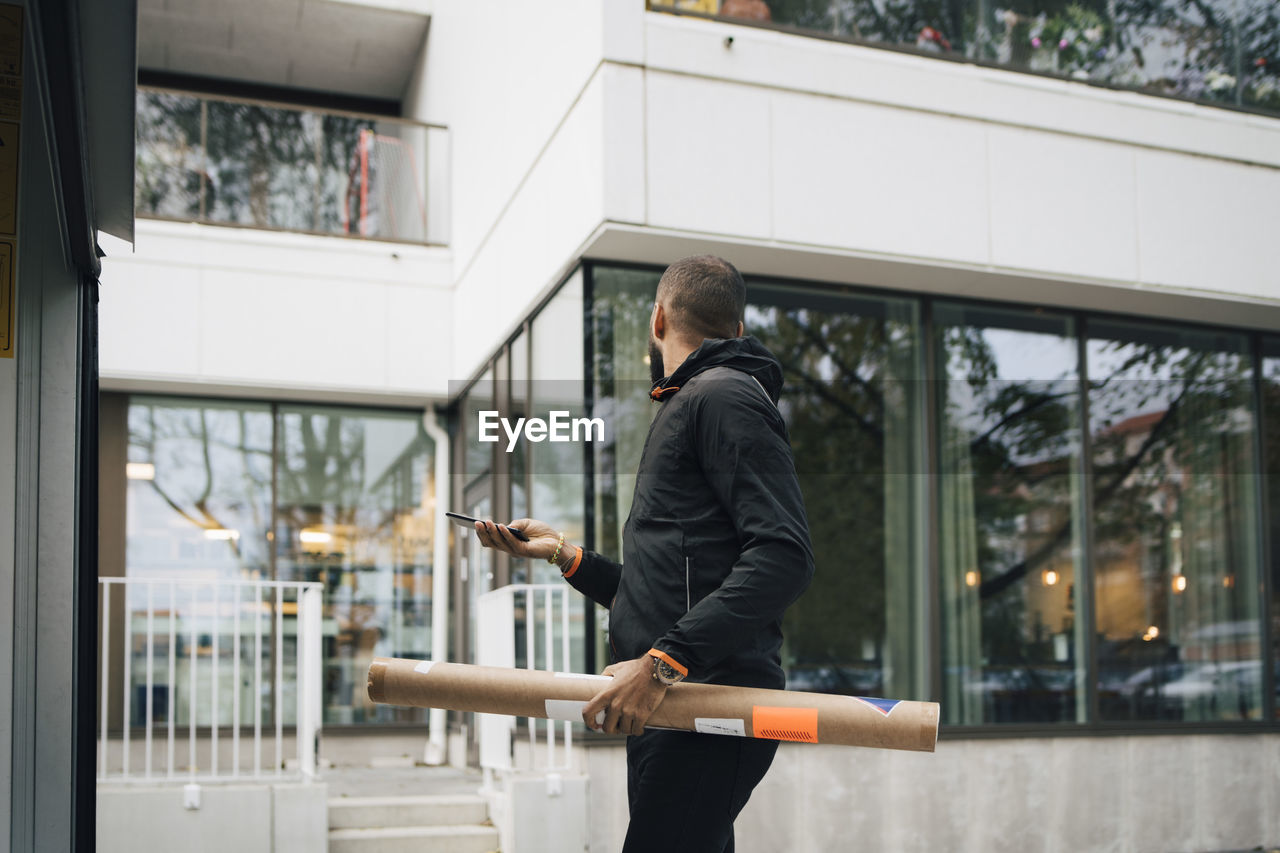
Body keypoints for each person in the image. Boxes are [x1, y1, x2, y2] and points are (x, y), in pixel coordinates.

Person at [474, 254, 814, 852]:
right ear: (736, 329)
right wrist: (565, 555)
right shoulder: (694, 402)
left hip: (705, 700)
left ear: (657, 318)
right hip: (673, 700)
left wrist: (661, 664)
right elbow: (672, 589)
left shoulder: (722, 397)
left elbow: (784, 555)